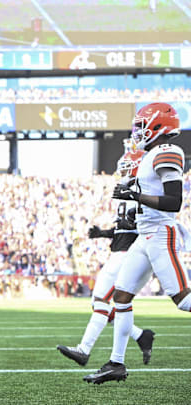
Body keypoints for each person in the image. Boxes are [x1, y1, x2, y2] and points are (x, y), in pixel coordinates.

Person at [84, 103, 190, 384]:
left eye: (144, 125)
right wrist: (134, 205)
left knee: (183, 300)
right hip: (144, 236)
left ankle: (116, 363)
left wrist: (135, 197)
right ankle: (116, 364)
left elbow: (173, 202)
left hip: (160, 234)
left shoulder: (168, 152)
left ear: (158, 126)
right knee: (121, 297)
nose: (139, 131)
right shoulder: (151, 155)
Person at [57, 148, 154, 367]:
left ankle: (84, 350)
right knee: (98, 301)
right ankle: (140, 336)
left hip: (129, 255)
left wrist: (136, 223)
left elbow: (148, 224)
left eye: (128, 166)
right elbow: (123, 229)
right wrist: (103, 233)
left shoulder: (144, 191)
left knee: (103, 301)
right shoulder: (128, 192)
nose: (123, 171)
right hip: (117, 253)